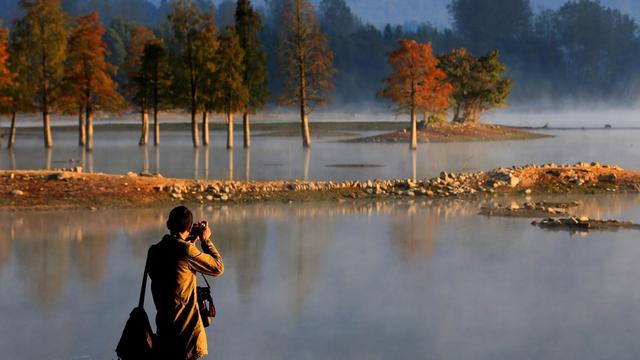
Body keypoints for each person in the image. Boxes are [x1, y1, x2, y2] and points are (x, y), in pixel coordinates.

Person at [148, 206, 224, 360]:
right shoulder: (187, 251)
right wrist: (205, 240)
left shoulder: (154, 251)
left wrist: (188, 244)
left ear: (168, 224)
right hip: (186, 340)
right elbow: (218, 267)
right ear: (190, 227)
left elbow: (176, 274)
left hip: (164, 337)